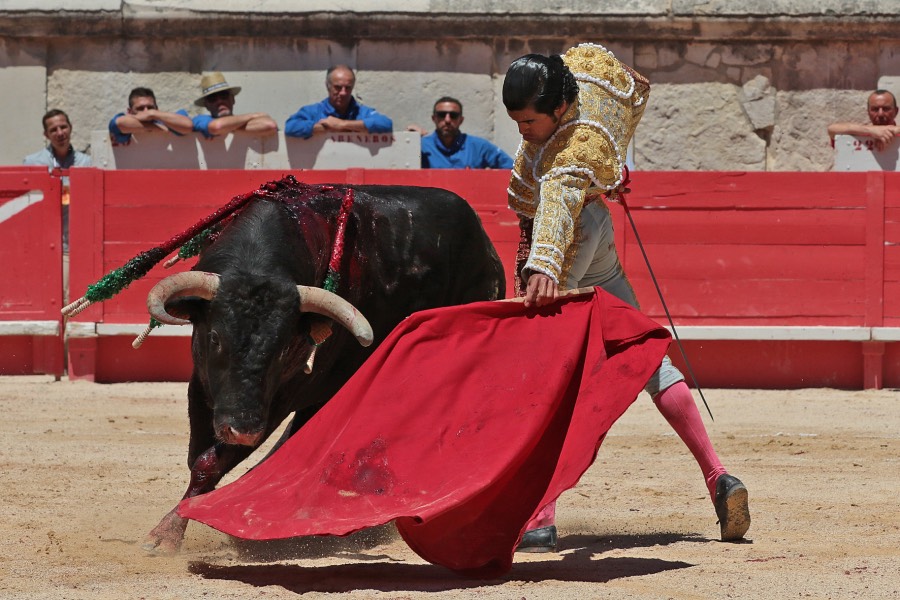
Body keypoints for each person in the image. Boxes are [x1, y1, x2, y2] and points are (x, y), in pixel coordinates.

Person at [502, 44, 751, 552]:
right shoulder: (580, 113)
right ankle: (717, 475)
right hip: (600, 232)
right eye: (517, 121)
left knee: (547, 369)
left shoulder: (570, 149)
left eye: (528, 121)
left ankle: (541, 515)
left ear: (558, 109)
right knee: (648, 354)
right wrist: (607, 177)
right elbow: (617, 115)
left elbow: (560, 197)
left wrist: (544, 262)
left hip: (572, 235)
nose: (522, 130)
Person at [23, 109, 92, 256]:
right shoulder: (32, 163)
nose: (60, 133)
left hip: (77, 245)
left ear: (70, 127)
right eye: (53, 130)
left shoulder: (87, 162)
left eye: (63, 127)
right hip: (43, 246)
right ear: (46, 135)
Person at [284, 65, 393, 139]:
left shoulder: (361, 111)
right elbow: (290, 127)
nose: (343, 93)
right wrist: (323, 128)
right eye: (338, 87)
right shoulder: (313, 111)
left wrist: (342, 124)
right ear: (328, 86)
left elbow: (385, 124)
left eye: (348, 88)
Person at [409, 96, 513, 169]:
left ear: (461, 120)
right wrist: (409, 143)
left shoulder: (479, 147)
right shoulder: (421, 146)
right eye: (442, 115)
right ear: (434, 118)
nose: (447, 120)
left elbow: (512, 169)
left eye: (453, 115)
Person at [192, 72, 278, 138]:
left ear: (232, 99)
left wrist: (229, 127)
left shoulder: (244, 120)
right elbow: (217, 127)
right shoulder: (200, 120)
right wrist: (253, 115)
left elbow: (270, 125)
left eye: (223, 95)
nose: (219, 101)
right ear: (206, 105)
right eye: (212, 98)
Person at [108, 87, 193, 145]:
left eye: (150, 108)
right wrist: (157, 128)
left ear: (157, 109)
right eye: (140, 108)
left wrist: (152, 114)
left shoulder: (169, 120)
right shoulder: (125, 120)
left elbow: (187, 125)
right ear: (129, 112)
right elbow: (118, 123)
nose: (146, 112)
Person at [827, 89, 899, 151]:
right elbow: (832, 130)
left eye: (886, 109)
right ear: (868, 112)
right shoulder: (860, 134)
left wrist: (892, 131)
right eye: (875, 109)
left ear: (896, 111)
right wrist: (870, 130)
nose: (880, 114)